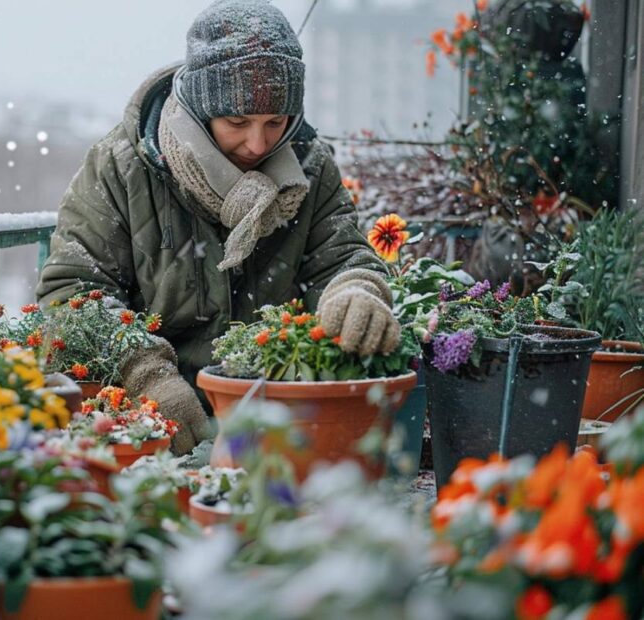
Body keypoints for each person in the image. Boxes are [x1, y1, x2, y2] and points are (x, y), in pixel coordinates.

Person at [36, 0, 400, 454]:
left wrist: (355, 290)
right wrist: (145, 375)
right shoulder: (123, 166)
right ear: (199, 108)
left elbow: (341, 256)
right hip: (150, 431)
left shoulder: (310, 165)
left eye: (275, 121)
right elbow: (71, 294)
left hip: (281, 425)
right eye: (237, 122)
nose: (258, 142)